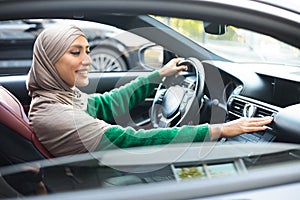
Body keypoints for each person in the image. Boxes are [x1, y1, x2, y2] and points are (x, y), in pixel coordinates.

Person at [26, 24, 273, 157]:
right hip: (105, 183)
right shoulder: (57, 115)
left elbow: (106, 104)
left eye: (88, 51)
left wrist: (159, 76)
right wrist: (218, 129)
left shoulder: (58, 96)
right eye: (75, 52)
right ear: (50, 59)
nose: (88, 61)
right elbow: (128, 141)